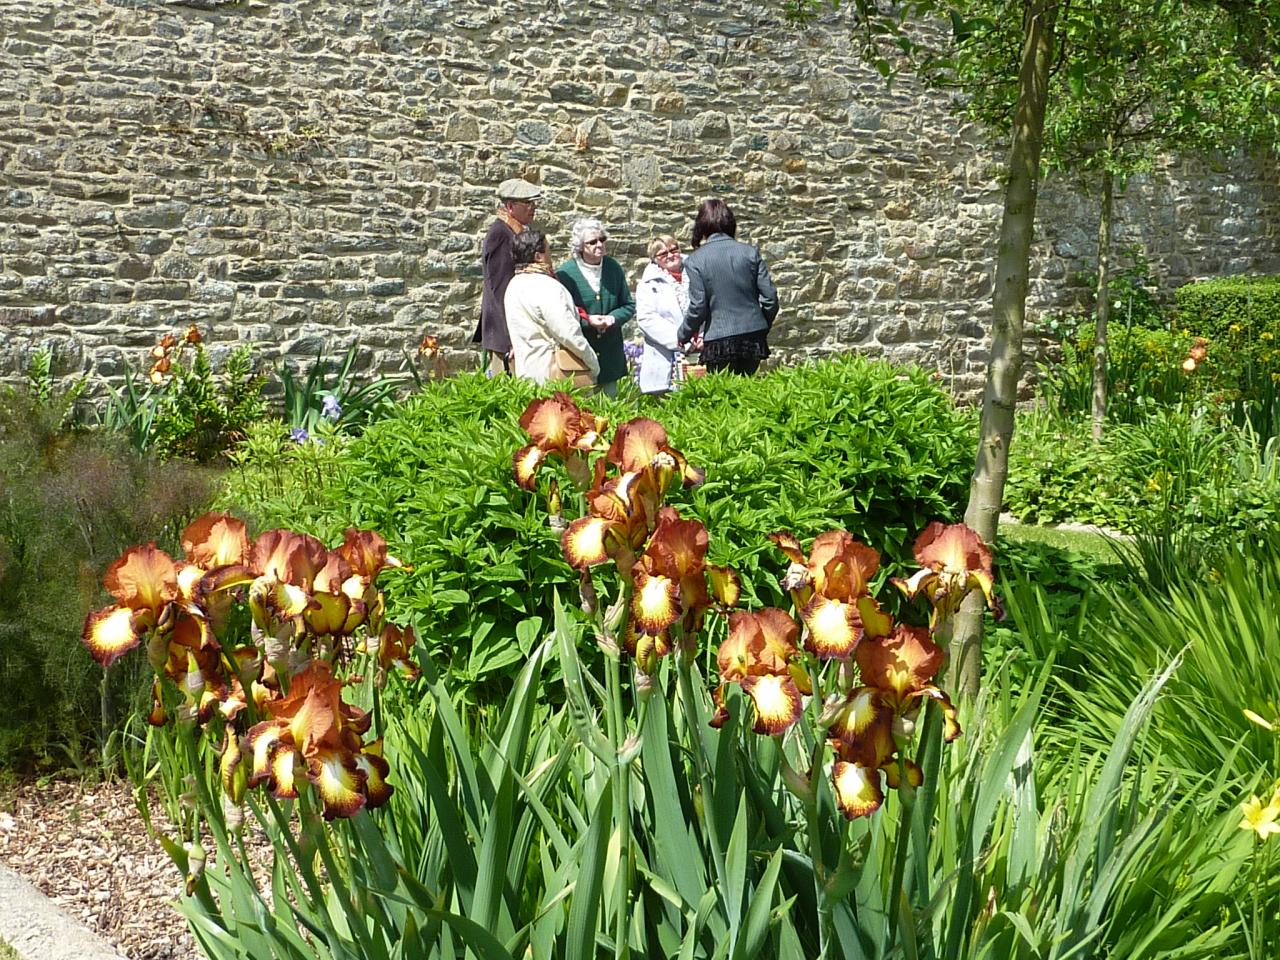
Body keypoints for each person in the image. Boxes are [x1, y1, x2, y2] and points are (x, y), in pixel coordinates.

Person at [677, 198, 779, 375]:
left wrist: (683, 334)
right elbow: (770, 298)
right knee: (749, 392)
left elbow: (698, 307)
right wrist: (762, 322)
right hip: (753, 335)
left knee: (725, 396)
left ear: (701, 227)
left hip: (719, 338)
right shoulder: (750, 252)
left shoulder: (695, 260)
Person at [504, 228, 600, 385]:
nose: (551, 256)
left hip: (525, 375)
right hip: (553, 375)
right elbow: (568, 333)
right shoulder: (547, 287)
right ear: (538, 256)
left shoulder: (513, 285)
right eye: (548, 250)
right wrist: (592, 362)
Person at [556, 218, 635, 397]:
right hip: (580, 357)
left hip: (609, 355)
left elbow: (628, 305)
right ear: (580, 246)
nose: (599, 245)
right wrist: (588, 321)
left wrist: (612, 318)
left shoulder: (612, 268)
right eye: (592, 242)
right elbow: (563, 313)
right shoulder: (566, 273)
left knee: (611, 410)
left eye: (602, 240)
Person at [473, 178, 540, 375]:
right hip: (506, 337)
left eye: (534, 203)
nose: (533, 208)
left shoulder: (515, 231)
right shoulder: (500, 235)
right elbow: (501, 289)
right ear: (510, 206)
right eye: (527, 203)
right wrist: (511, 337)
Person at [634, 234, 689, 396]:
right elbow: (646, 319)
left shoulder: (697, 272)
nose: (671, 256)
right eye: (663, 254)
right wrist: (681, 339)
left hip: (699, 352)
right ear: (654, 259)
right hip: (664, 359)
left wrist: (699, 337)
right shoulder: (648, 284)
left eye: (674, 250)